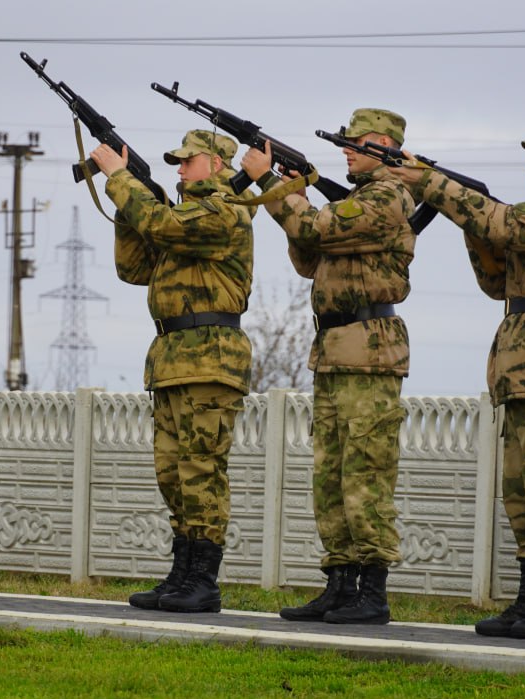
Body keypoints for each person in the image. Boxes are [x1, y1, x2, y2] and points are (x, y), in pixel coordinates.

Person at [387, 119, 525, 640]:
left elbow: (505, 223)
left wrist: (435, 186)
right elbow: (498, 279)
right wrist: (467, 217)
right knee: (520, 489)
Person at [241, 108, 415, 625]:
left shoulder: (388, 196)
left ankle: (372, 589)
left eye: (356, 142)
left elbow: (318, 226)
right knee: (331, 476)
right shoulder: (359, 198)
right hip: (336, 347)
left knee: (366, 473)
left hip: (369, 348)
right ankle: (340, 582)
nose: (347, 150)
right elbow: (310, 255)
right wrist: (293, 194)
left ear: (384, 143)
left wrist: (272, 186)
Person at [89, 129, 253, 614]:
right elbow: (136, 267)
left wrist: (122, 181)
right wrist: (127, 205)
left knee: (201, 469)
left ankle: (203, 580)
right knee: (172, 473)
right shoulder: (180, 217)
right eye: (177, 163)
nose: (179, 169)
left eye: (188, 162)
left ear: (217, 167)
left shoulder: (225, 211)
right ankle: (181, 574)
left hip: (211, 357)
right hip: (173, 357)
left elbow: (162, 227)